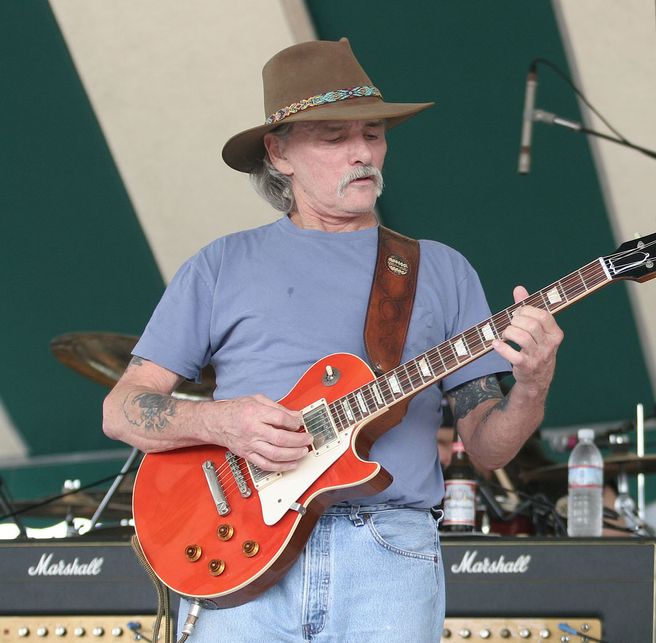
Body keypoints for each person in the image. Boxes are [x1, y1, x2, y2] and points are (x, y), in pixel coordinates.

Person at [101, 38, 563, 641]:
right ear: (279, 152)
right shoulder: (220, 266)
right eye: (334, 138)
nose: (363, 152)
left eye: (373, 133)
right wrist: (221, 423)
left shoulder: (440, 269)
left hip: (389, 551)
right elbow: (122, 408)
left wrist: (532, 385)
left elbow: (487, 448)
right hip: (243, 548)